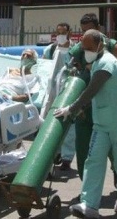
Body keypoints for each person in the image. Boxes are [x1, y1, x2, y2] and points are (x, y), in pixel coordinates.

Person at [54, 30, 117, 218]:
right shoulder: (97, 63)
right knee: (93, 161)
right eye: (84, 48)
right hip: (102, 124)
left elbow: (92, 90)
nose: (86, 52)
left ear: (101, 45)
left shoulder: (107, 63)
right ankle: (89, 204)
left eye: (89, 48)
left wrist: (71, 109)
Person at [68, 13, 117, 179]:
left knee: (110, 147)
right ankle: (86, 185)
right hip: (84, 108)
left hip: (105, 108)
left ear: (98, 29)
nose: (86, 34)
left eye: (89, 30)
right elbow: (71, 70)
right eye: (83, 31)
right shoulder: (80, 49)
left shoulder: (111, 46)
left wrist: (99, 67)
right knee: (82, 149)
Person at [44, 22, 76, 172]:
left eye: (63, 32)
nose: (61, 35)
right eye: (58, 32)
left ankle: (67, 158)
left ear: (69, 32)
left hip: (69, 91)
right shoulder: (50, 50)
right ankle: (54, 154)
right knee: (52, 122)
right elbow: (44, 69)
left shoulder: (76, 49)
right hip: (52, 92)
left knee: (70, 125)